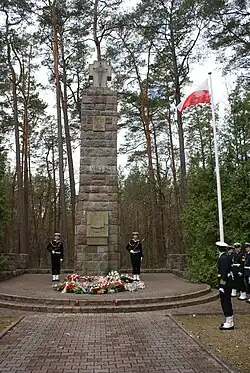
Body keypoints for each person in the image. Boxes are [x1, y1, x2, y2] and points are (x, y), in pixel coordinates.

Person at [216, 241, 234, 330]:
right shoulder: (225, 257)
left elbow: (224, 273)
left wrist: (222, 286)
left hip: (225, 283)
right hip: (227, 282)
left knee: (225, 302)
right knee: (226, 301)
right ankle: (229, 321)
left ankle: (229, 322)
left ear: (218, 249)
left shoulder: (223, 258)